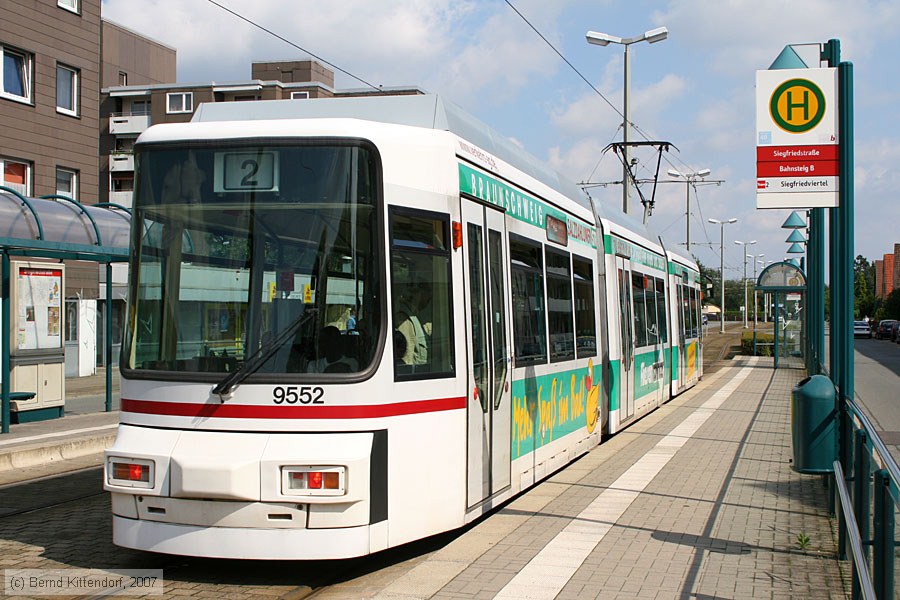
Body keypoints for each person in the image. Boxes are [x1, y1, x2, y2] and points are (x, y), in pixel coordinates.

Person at [395, 282, 429, 365]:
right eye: (427, 297)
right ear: (417, 295)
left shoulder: (415, 317)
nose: (427, 301)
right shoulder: (404, 320)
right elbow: (407, 359)